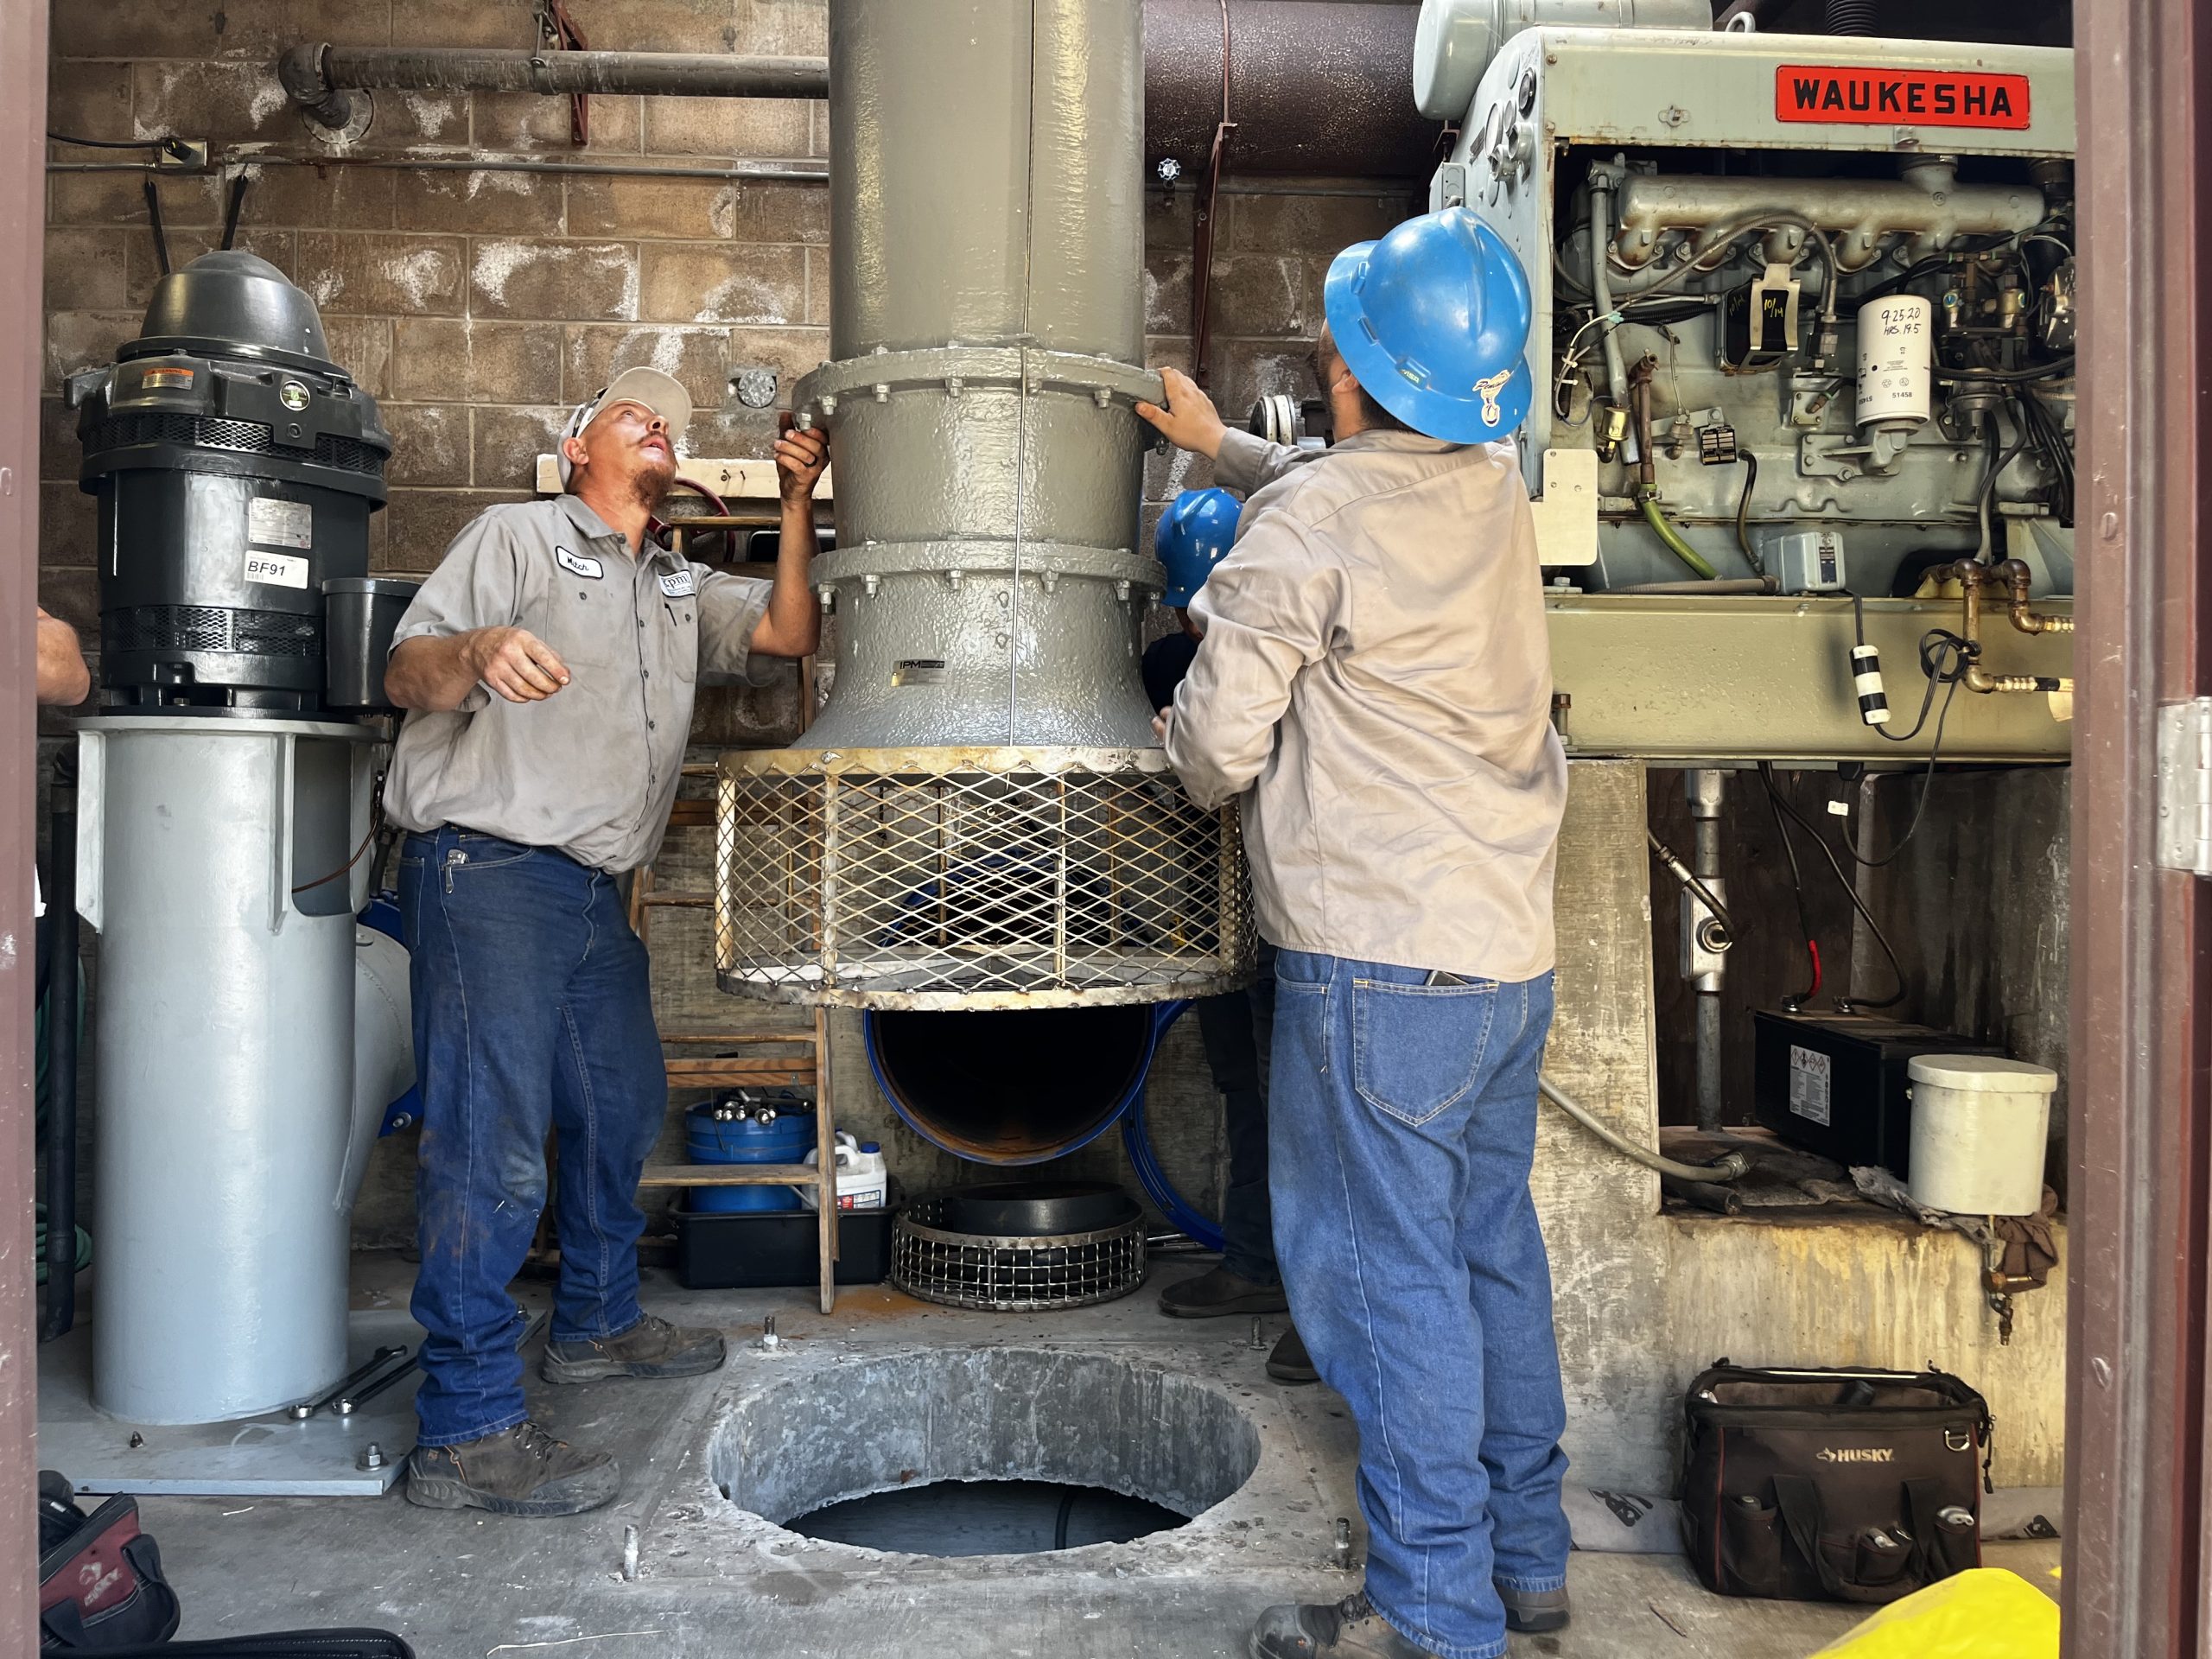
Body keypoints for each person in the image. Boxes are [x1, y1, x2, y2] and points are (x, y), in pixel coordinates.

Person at [1136, 208, 1570, 1659]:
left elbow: (1215, 757)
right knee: (1489, 1255)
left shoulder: (1309, 527)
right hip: (1505, 962)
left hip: (1377, 969)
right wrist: (1227, 448)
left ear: (1341, 370)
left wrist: (1171, 721)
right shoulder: (1493, 488)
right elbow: (1361, 493)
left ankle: (1436, 1620)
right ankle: (1527, 1559)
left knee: (1393, 1294)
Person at [380, 367, 828, 1518]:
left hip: (591, 894)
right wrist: (477, 651)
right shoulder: (516, 537)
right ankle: (467, 1430)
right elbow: (403, 668)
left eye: (666, 415)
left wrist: (797, 500)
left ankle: (596, 1321)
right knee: (492, 1150)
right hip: (488, 875)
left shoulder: (678, 586)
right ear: (578, 449)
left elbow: (784, 631)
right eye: (632, 410)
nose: (656, 419)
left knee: (622, 1106)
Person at [1145, 490, 1312, 1387]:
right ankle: (1254, 1264)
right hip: (1220, 916)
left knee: (1304, 1108)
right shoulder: (1174, 661)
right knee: (1247, 1093)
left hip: (1300, 906)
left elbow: (1221, 761)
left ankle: (1316, 1304)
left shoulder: (1281, 646)